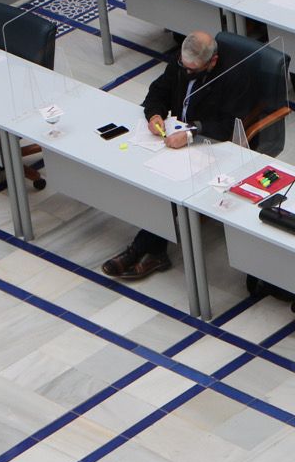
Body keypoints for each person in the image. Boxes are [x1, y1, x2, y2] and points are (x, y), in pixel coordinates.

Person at [102, 32, 250, 282]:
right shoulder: (181, 63)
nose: (186, 72)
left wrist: (191, 133)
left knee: (167, 185)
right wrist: (154, 115)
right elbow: (157, 92)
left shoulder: (233, 77)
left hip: (211, 145)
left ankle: (141, 249)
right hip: (171, 138)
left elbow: (228, 125)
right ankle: (153, 249)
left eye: (193, 70)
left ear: (212, 62)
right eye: (184, 66)